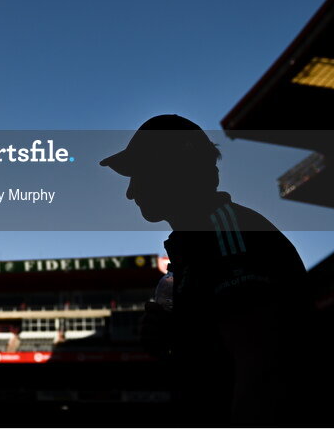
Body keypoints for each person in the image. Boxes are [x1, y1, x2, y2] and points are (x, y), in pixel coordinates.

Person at [101, 114, 309, 425]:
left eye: (138, 174)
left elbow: (261, 370)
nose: (130, 192)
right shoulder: (200, 242)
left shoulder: (229, 237)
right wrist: (176, 337)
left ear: (170, 170)